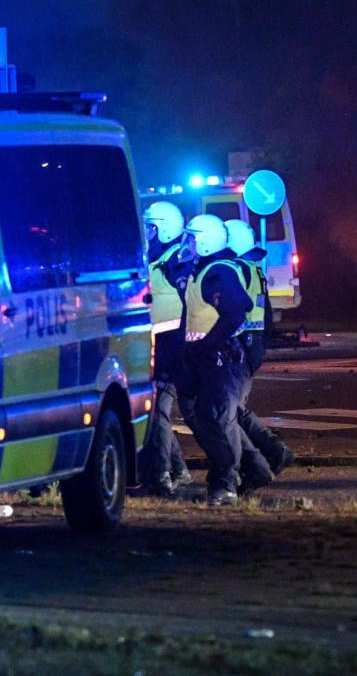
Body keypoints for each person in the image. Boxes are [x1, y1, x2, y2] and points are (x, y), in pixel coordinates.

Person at [177, 214, 274, 506]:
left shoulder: (219, 272)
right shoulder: (205, 270)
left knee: (218, 419)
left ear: (205, 242)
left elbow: (237, 311)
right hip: (206, 360)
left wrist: (208, 343)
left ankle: (226, 485)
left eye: (193, 239)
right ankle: (253, 470)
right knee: (209, 416)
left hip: (222, 360)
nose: (188, 244)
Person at [224, 219, 295, 479]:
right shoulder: (253, 270)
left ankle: (271, 453)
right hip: (251, 346)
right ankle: (271, 452)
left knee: (229, 411)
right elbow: (265, 315)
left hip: (241, 346)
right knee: (231, 410)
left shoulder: (238, 271)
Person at [134, 201, 194, 497]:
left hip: (171, 350)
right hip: (157, 349)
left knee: (156, 415)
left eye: (150, 227)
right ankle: (179, 470)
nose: (145, 232)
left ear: (163, 229)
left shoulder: (176, 262)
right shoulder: (159, 258)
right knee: (157, 415)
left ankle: (159, 480)